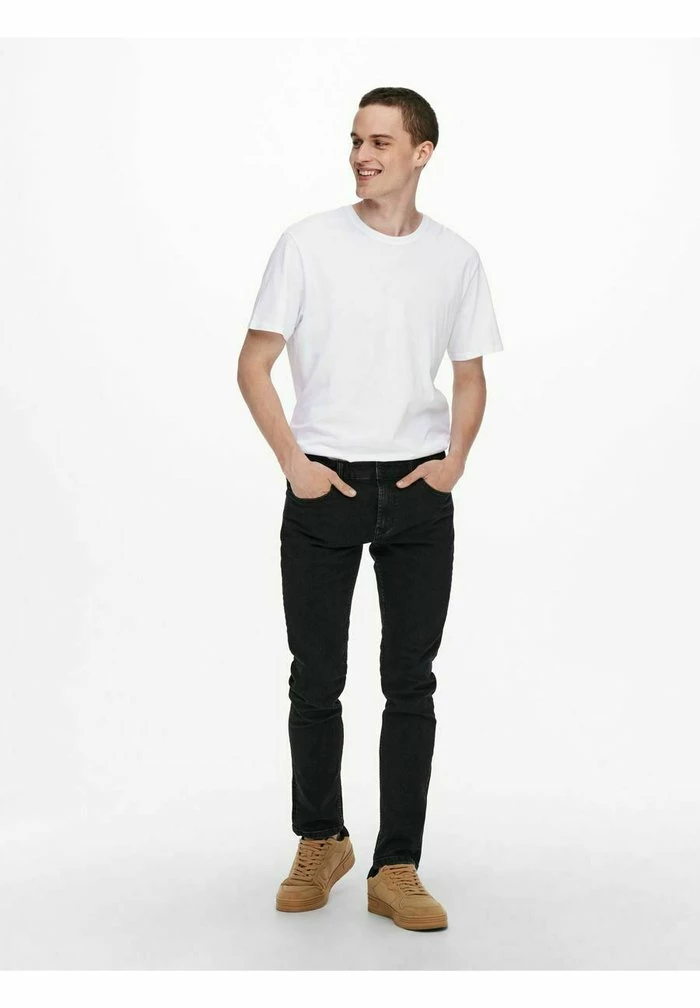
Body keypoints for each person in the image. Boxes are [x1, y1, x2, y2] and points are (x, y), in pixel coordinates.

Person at [237, 86, 503, 932]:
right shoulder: (307, 244)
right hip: (326, 485)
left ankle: (397, 865)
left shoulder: (455, 258)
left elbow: (469, 373)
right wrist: (295, 464)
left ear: (422, 152)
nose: (362, 154)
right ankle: (322, 840)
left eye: (381, 141)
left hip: (418, 491)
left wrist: (454, 461)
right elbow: (253, 363)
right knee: (316, 677)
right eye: (356, 139)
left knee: (410, 682)